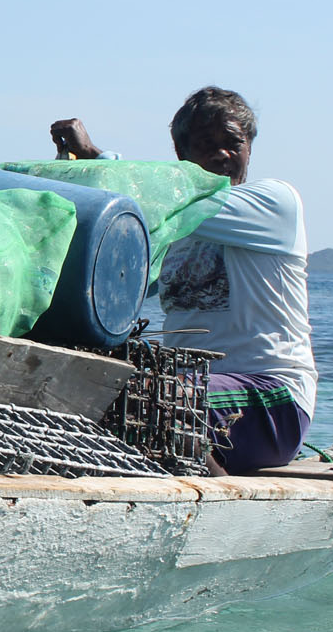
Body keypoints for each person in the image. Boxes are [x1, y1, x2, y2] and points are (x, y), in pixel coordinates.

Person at [49, 88, 315, 474]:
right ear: (182, 158)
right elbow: (113, 285)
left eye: (233, 143)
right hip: (190, 396)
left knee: (149, 401)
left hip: (271, 399)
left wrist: (97, 159)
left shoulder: (273, 204)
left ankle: (220, 502)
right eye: (207, 145)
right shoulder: (171, 233)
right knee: (89, 391)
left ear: (250, 149)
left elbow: (169, 200)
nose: (222, 154)